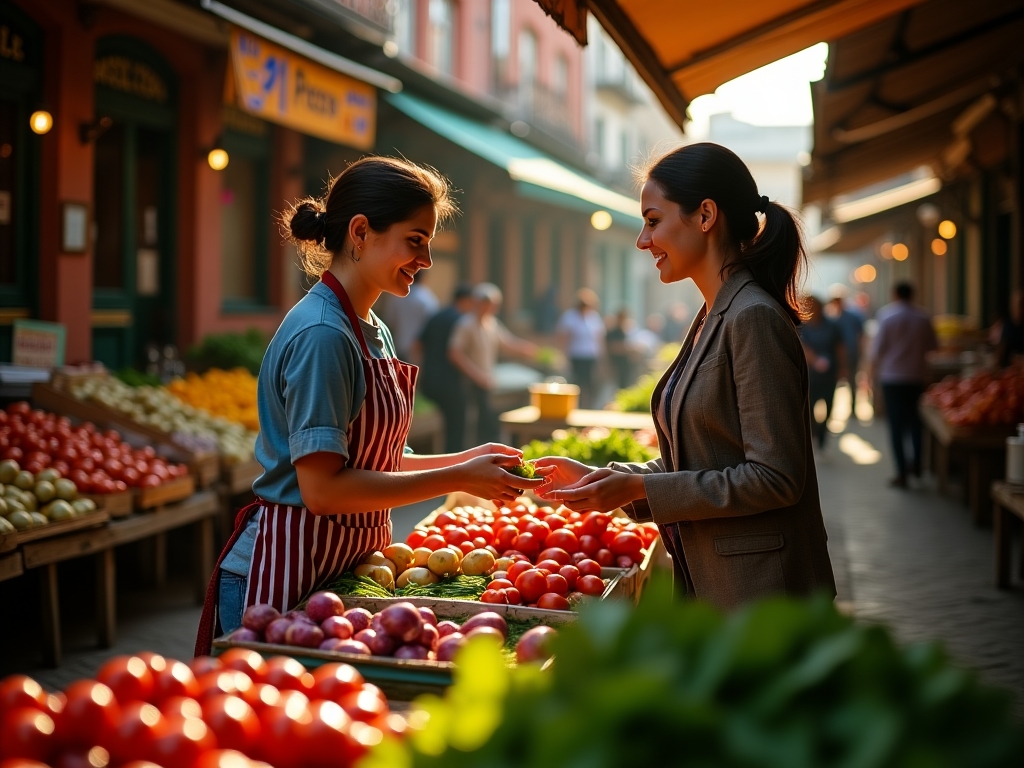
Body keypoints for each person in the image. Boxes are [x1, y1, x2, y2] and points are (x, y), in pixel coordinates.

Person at [196, 158, 546, 654]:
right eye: (415, 239)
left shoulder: (371, 326)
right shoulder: (324, 334)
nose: (426, 259)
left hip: (338, 571)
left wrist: (464, 461)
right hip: (284, 574)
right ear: (361, 232)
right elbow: (321, 490)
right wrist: (459, 479)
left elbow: (373, 460)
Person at [536, 142, 835, 609]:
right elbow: (706, 460)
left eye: (653, 220)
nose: (642, 239)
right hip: (722, 586)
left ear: (705, 215)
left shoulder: (751, 316)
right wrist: (605, 479)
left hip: (762, 598)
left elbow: (775, 476)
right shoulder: (715, 312)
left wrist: (639, 487)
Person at [448, 283, 537, 444]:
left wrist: (529, 350)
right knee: (472, 427)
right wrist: (477, 375)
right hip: (469, 383)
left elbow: (507, 343)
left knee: (488, 424)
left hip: (486, 381)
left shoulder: (491, 323)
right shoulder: (466, 324)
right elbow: (455, 353)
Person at [870, 282, 937, 488]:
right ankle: (917, 464)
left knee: (896, 426)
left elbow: (877, 351)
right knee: (916, 423)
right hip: (917, 376)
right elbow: (934, 346)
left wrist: (872, 377)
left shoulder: (887, 316)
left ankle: (901, 472)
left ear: (895, 294)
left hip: (892, 379)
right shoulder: (924, 318)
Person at [418, 285, 474, 452]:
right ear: (466, 301)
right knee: (456, 427)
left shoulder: (436, 316)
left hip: (430, 380)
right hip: (451, 383)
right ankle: (455, 463)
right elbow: (456, 354)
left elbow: (417, 345)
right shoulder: (462, 321)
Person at [799, 295, 846, 449]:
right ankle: (815, 432)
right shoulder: (803, 327)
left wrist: (842, 368)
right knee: (810, 407)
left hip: (829, 374)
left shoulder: (832, 325)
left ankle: (823, 433)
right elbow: (802, 346)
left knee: (829, 405)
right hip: (810, 374)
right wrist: (815, 361)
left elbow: (840, 348)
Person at [556, 288, 605, 408]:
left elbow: (599, 340)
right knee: (576, 384)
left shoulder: (594, 317)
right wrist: (564, 357)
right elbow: (564, 339)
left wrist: (602, 359)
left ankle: (588, 407)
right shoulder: (570, 317)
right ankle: (576, 406)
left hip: (591, 357)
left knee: (591, 385)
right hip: (576, 356)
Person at [379, 271, 438, 363]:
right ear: (423, 278)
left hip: (399, 344)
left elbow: (389, 320)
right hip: (419, 349)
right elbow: (432, 325)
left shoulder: (397, 296)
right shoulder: (427, 299)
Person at [825, 283, 864, 409]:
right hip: (836, 355)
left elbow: (860, 335)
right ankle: (832, 408)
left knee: (852, 381)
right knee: (835, 382)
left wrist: (860, 351)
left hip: (851, 353)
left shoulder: (853, 315)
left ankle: (853, 408)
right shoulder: (830, 317)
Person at [605, 308, 635, 390]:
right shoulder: (613, 332)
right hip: (616, 363)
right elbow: (612, 347)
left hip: (625, 363)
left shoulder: (626, 331)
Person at [997, 289, 1024, 367]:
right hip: (1009, 370)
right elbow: (1001, 351)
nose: (1017, 308)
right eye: (1014, 305)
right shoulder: (1007, 325)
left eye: (1021, 305)